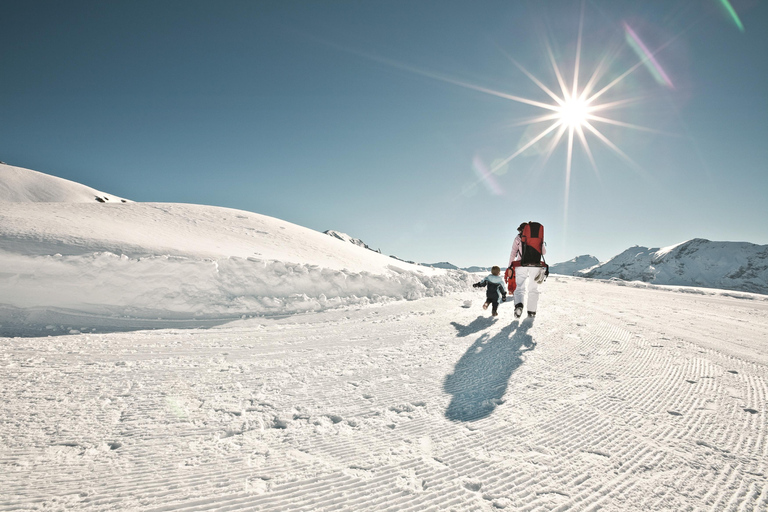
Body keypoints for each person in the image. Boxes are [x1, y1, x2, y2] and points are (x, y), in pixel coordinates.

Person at [508, 222, 547, 319]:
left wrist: (509, 267)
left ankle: (519, 306)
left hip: (521, 265)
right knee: (533, 288)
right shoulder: (537, 237)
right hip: (535, 265)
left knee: (520, 288)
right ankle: (532, 311)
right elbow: (543, 252)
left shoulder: (518, 238)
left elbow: (513, 253)